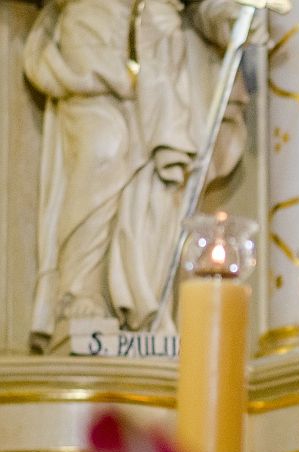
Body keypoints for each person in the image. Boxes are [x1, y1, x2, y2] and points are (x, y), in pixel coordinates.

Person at [23, 0, 249, 352]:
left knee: (160, 180)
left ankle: (145, 306)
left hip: (160, 41)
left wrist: (227, 18)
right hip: (94, 26)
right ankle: (79, 291)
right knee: (102, 151)